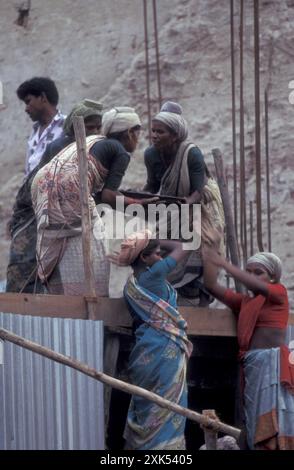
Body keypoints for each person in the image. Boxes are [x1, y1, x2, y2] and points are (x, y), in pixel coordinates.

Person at [31, 107, 157, 295]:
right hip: (71, 186)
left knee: (59, 236)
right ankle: (93, 296)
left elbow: (96, 190)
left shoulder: (94, 141)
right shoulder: (120, 151)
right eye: (138, 133)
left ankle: (57, 292)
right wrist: (136, 203)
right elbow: (108, 196)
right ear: (129, 133)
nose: (138, 139)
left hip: (41, 183)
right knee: (95, 240)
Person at [6, 99, 103, 293]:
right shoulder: (61, 148)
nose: (94, 132)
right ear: (75, 129)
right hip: (36, 211)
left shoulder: (96, 149)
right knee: (27, 266)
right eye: (89, 127)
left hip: (62, 215)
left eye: (97, 128)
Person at [203, 247, 294, 450]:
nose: (252, 276)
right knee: (254, 419)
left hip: (272, 367)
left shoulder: (278, 293)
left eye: (258, 272)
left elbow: (256, 285)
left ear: (273, 277)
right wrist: (209, 255)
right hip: (253, 366)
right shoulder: (245, 302)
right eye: (249, 271)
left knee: (275, 418)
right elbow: (210, 285)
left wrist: (226, 264)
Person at [110, 230, 193, 450]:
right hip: (165, 347)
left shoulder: (131, 286)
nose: (160, 256)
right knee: (168, 404)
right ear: (144, 258)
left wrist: (146, 243)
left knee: (148, 402)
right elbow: (184, 246)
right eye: (156, 253)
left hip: (144, 351)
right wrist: (152, 238)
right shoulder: (154, 274)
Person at [144, 101, 225, 305]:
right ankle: (170, 292)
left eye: (160, 132)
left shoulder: (191, 153)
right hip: (173, 206)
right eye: (153, 131)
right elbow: (153, 185)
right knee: (158, 245)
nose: (154, 136)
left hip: (199, 206)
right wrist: (135, 199)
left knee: (204, 245)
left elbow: (197, 191)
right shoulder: (151, 154)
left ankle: (201, 292)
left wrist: (184, 206)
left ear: (175, 135)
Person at [16, 76, 66, 174]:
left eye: (28, 101)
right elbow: (28, 171)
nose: (26, 109)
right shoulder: (34, 132)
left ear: (42, 97)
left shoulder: (67, 125)